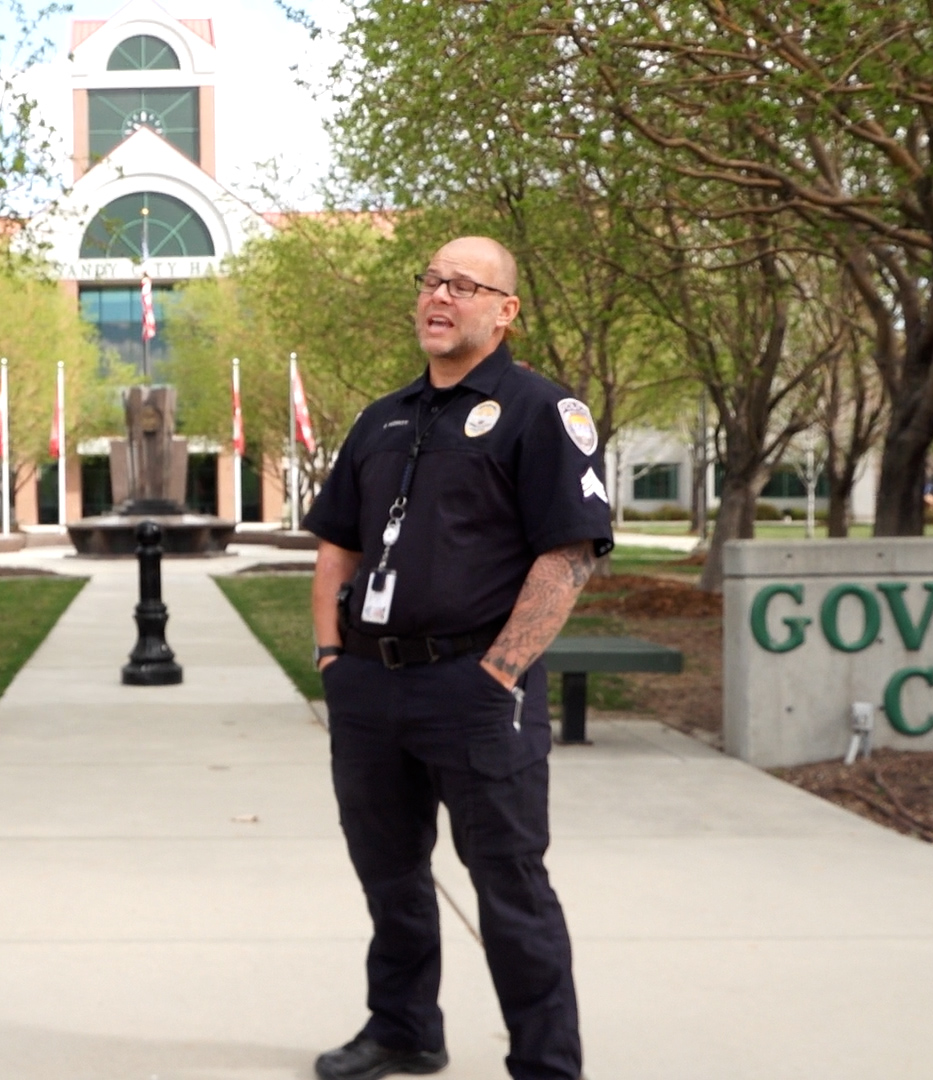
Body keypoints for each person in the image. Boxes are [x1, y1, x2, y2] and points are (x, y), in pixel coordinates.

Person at [302, 236, 612, 1080]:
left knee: (509, 887)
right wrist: (332, 656)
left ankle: (547, 1065)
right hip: (370, 686)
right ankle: (404, 1028)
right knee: (390, 873)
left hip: (475, 689)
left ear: (505, 310)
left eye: (465, 286)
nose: (440, 296)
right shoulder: (384, 416)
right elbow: (338, 542)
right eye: (432, 281)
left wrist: (502, 671)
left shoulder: (541, 411)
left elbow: (569, 554)